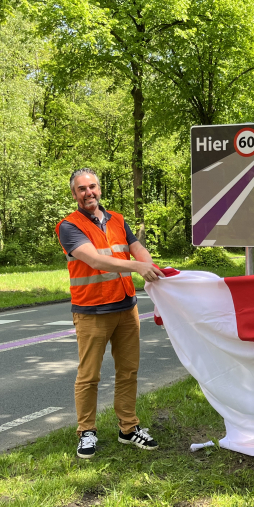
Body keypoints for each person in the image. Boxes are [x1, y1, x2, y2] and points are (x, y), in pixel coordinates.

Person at [55, 168, 164, 459]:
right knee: (89, 376)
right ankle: (86, 432)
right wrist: (137, 267)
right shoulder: (68, 226)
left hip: (126, 308)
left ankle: (128, 428)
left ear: (99, 189)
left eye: (92, 187)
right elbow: (95, 260)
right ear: (74, 194)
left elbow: (138, 250)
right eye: (82, 189)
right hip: (91, 311)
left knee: (128, 372)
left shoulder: (118, 219)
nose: (88, 193)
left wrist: (148, 266)